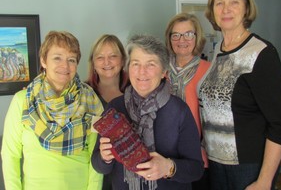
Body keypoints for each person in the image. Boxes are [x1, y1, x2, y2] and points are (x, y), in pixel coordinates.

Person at [197, 0, 281, 190]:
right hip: (216, 161)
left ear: (246, 8)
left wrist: (264, 181)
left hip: (248, 166)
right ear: (212, 10)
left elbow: (280, 124)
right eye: (219, 3)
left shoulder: (262, 53)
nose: (226, 9)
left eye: (234, 2)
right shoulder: (218, 49)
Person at [91, 34, 204, 190]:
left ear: (164, 71)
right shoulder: (115, 108)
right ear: (128, 68)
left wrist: (168, 167)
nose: (142, 72)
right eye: (136, 64)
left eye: (150, 64)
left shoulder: (179, 111)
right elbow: (99, 166)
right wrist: (104, 158)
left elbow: (196, 170)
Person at [1, 31, 104, 190]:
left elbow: (96, 156)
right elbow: (10, 155)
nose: (65, 66)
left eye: (71, 59)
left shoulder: (91, 101)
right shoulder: (22, 101)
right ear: (43, 60)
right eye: (57, 58)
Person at [165, 12, 210, 189]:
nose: (181, 39)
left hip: (197, 153)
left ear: (196, 37)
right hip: (165, 152)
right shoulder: (161, 70)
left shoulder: (208, 70)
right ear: (169, 39)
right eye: (176, 34)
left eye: (188, 34)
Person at [86, 34, 129, 190]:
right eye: (100, 57)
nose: (107, 62)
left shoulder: (136, 91)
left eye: (113, 56)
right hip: (95, 176)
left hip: (130, 177)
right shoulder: (82, 94)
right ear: (93, 63)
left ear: (123, 60)